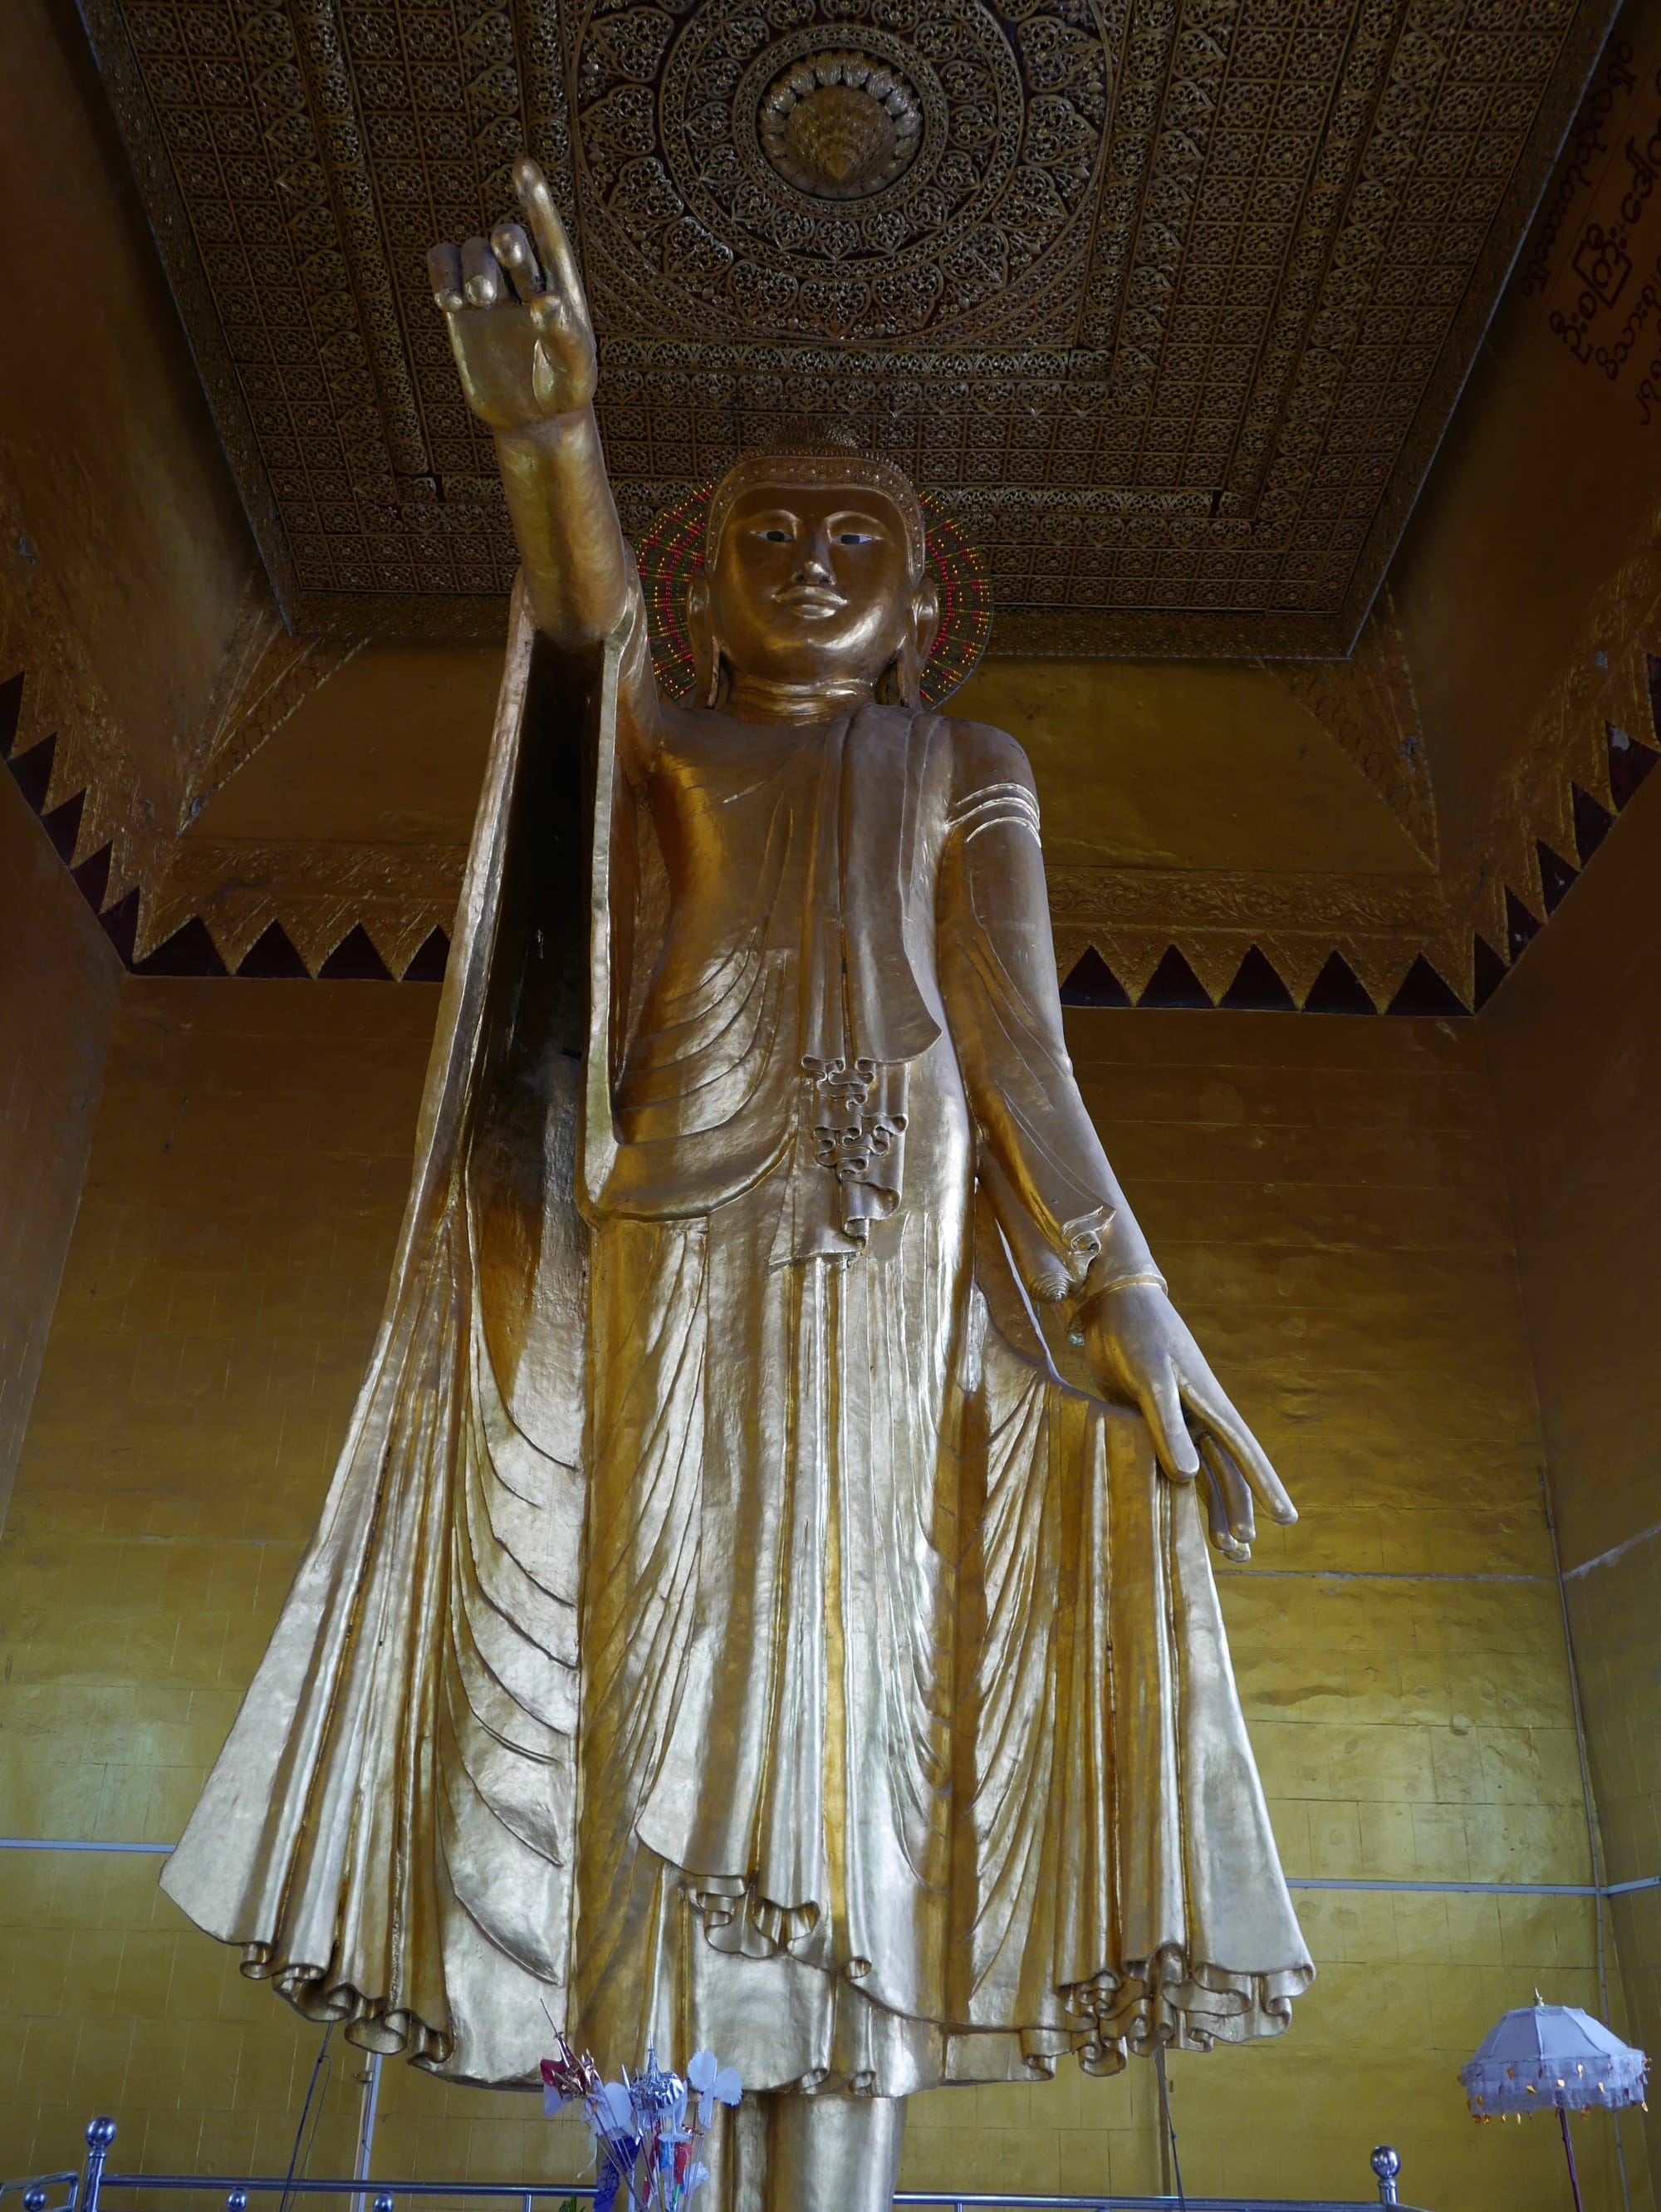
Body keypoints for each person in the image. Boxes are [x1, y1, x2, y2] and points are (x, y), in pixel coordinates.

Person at [161, 157, 1311, 2212]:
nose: (802, 561)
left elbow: (1020, 1039)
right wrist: (550, 439)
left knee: (858, 1698)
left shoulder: (965, 766)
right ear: (710, 581)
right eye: (763, 533)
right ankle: (649, 2173)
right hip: (671, 1250)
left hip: (891, 1246)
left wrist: (1127, 1293)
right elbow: (581, 633)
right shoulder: (676, 739)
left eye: (851, 535)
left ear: (923, 594)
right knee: (656, 1684)